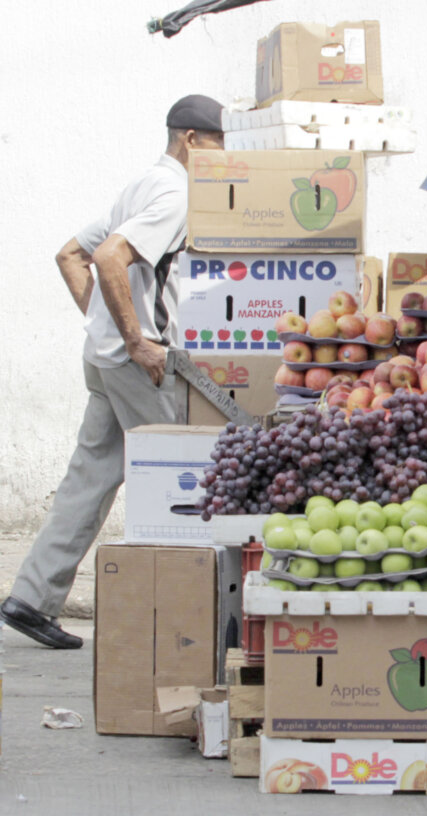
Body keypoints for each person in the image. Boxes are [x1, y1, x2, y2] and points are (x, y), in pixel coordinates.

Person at [1, 95, 225, 649]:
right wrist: (135, 340)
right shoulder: (176, 193)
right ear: (192, 140)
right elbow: (106, 259)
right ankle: (181, 616)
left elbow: (70, 255)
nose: (227, 158)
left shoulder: (142, 183)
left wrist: (105, 326)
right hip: (134, 364)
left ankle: (31, 599)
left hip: (104, 358)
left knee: (90, 477)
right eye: (221, 144)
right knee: (184, 473)